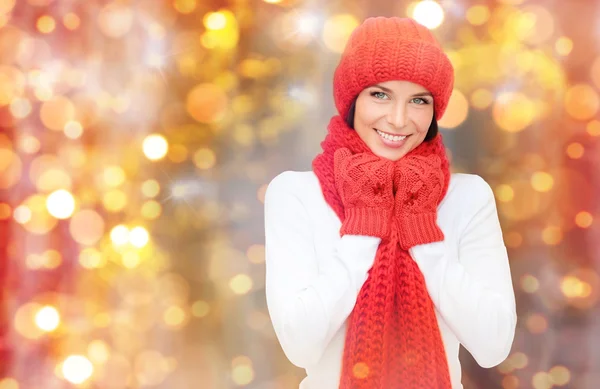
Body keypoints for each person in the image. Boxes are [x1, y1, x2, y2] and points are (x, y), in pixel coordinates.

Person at [264, 17, 517, 389]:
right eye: (379, 94)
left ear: (435, 111)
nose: (398, 120)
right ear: (351, 100)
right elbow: (300, 346)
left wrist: (423, 235)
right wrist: (365, 225)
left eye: (418, 100)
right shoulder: (296, 194)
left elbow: (493, 346)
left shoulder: (468, 197)